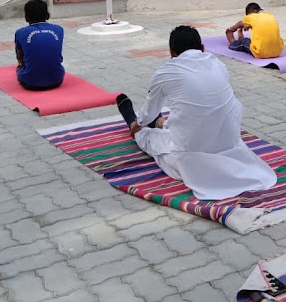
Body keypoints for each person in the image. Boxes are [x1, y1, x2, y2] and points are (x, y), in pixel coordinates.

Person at [115, 26, 277, 201]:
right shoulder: (218, 64)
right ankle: (161, 122)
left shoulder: (165, 71)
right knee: (192, 118)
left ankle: (132, 123)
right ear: (202, 47)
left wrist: (139, 123)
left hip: (191, 151)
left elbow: (147, 114)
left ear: (172, 52)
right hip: (229, 141)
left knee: (149, 137)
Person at [14, 0, 65, 91]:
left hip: (30, 83)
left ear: (26, 18)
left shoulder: (20, 32)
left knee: (20, 66)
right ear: (48, 15)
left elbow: (20, 58)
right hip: (57, 80)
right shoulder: (59, 29)